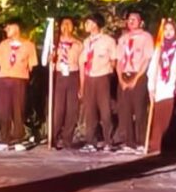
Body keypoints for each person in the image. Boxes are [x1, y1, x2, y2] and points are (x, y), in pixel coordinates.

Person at [0, 18, 37, 151]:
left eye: (9, 27)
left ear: (17, 28)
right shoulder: (3, 45)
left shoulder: (28, 45)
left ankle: (19, 139)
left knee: (18, 110)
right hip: (4, 78)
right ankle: (4, 140)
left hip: (20, 79)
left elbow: (32, 66)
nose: (6, 30)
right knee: (4, 110)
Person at [115, 10, 155, 153]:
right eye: (129, 19)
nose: (131, 22)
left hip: (139, 74)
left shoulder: (146, 37)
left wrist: (136, 78)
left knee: (139, 110)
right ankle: (128, 142)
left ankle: (141, 142)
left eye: (134, 19)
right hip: (124, 74)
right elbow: (119, 60)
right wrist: (121, 79)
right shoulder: (123, 39)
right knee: (124, 110)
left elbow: (146, 59)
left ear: (141, 22)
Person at [79, 13, 117, 152]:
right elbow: (83, 62)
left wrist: (108, 74)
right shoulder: (86, 42)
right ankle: (90, 142)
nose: (86, 25)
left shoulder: (108, 41)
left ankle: (108, 141)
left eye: (88, 23)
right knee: (90, 111)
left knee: (105, 111)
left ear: (95, 24)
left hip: (102, 77)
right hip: (89, 77)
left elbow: (113, 60)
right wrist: (82, 85)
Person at [146, 19, 176, 154]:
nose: (168, 32)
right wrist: (151, 87)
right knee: (157, 116)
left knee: (168, 117)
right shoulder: (159, 47)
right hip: (159, 84)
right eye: (166, 30)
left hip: (171, 84)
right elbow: (152, 68)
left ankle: (166, 145)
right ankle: (155, 145)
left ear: (175, 31)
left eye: (171, 30)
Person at [50, 17, 83, 150]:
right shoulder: (54, 43)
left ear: (73, 27)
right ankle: (53, 138)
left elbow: (81, 63)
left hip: (73, 75)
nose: (66, 26)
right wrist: (51, 57)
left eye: (69, 24)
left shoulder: (78, 44)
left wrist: (81, 84)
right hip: (59, 75)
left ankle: (67, 139)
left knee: (72, 109)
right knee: (58, 109)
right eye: (64, 23)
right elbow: (47, 60)